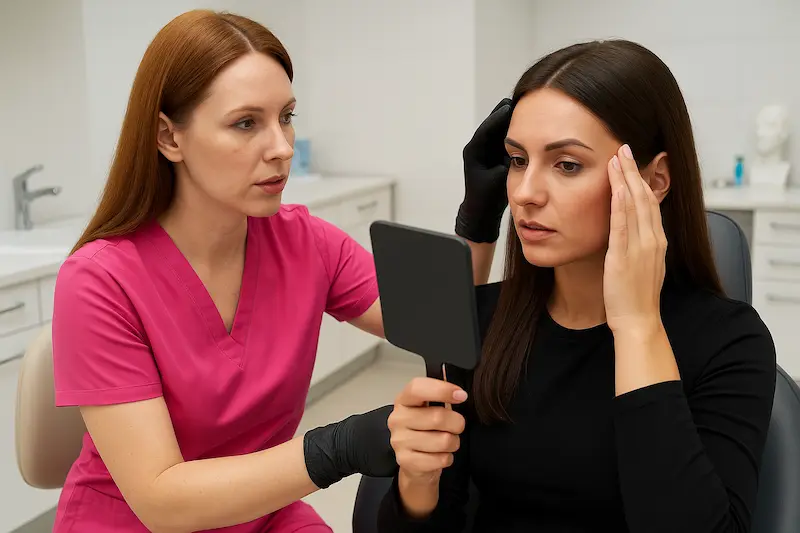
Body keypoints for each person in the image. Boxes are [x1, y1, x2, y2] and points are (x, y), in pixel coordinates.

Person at [50, 9, 502, 533]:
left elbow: (441, 324)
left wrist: (480, 217)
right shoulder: (100, 282)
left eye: (286, 116)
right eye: (247, 123)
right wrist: (343, 446)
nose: (282, 148)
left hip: (260, 516)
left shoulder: (303, 242)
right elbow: (161, 499)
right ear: (169, 138)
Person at [379, 40, 777, 533]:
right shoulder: (484, 321)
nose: (525, 194)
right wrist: (418, 482)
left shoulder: (729, 343)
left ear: (653, 181)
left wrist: (635, 327)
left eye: (567, 165)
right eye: (518, 160)